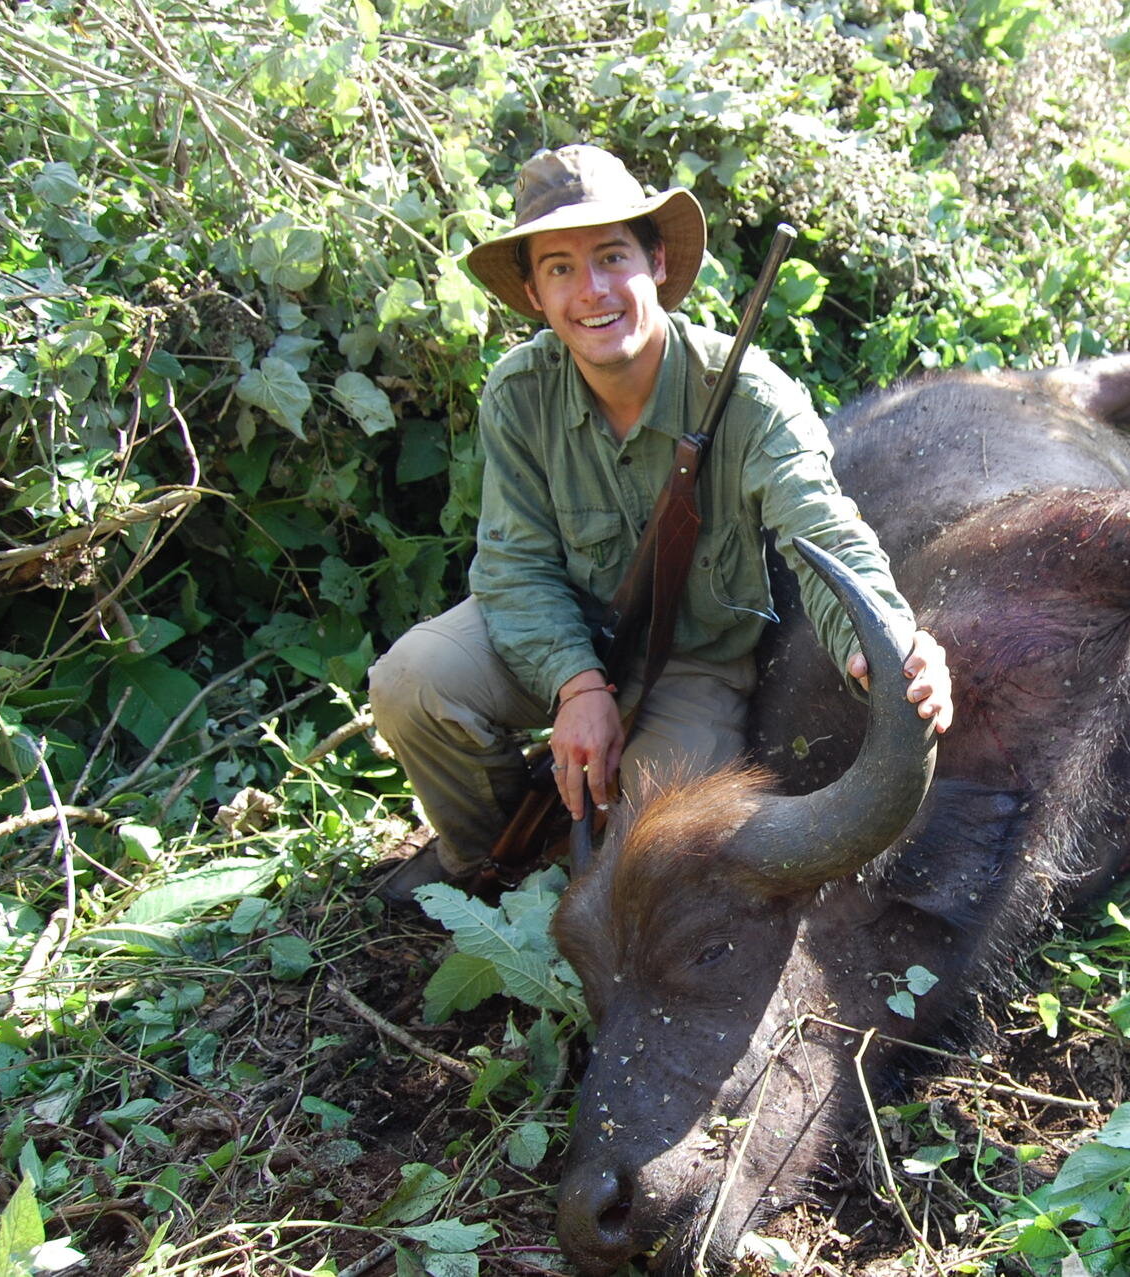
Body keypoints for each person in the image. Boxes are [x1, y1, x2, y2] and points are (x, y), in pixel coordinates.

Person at [369, 145, 953, 902]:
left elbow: (826, 534)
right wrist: (577, 686)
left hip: (694, 666)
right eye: (560, 268)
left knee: (660, 851)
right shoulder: (519, 394)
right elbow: (513, 567)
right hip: (560, 638)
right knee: (412, 681)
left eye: (612, 257)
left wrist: (894, 651)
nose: (592, 291)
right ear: (535, 293)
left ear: (655, 263)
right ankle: (487, 866)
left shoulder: (751, 395)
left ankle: (577, 855)